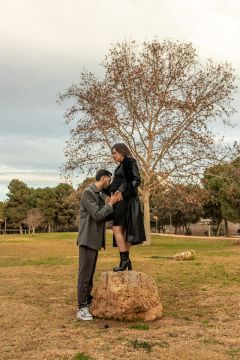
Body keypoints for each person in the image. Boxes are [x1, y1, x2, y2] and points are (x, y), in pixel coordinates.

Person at [76, 169, 121, 321]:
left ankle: (87, 301)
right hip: (87, 239)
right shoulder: (88, 193)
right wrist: (111, 203)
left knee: (89, 274)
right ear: (103, 178)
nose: (109, 183)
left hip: (94, 240)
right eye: (109, 180)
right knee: (85, 274)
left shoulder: (99, 195)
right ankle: (81, 308)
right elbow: (97, 215)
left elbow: (104, 214)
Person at [107, 143, 146, 272]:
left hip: (126, 201)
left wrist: (123, 193)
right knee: (124, 231)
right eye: (113, 153)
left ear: (122, 152)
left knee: (116, 228)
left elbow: (136, 180)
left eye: (115, 153)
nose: (114, 156)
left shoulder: (129, 162)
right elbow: (120, 182)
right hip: (122, 201)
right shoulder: (122, 165)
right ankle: (125, 261)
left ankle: (124, 261)